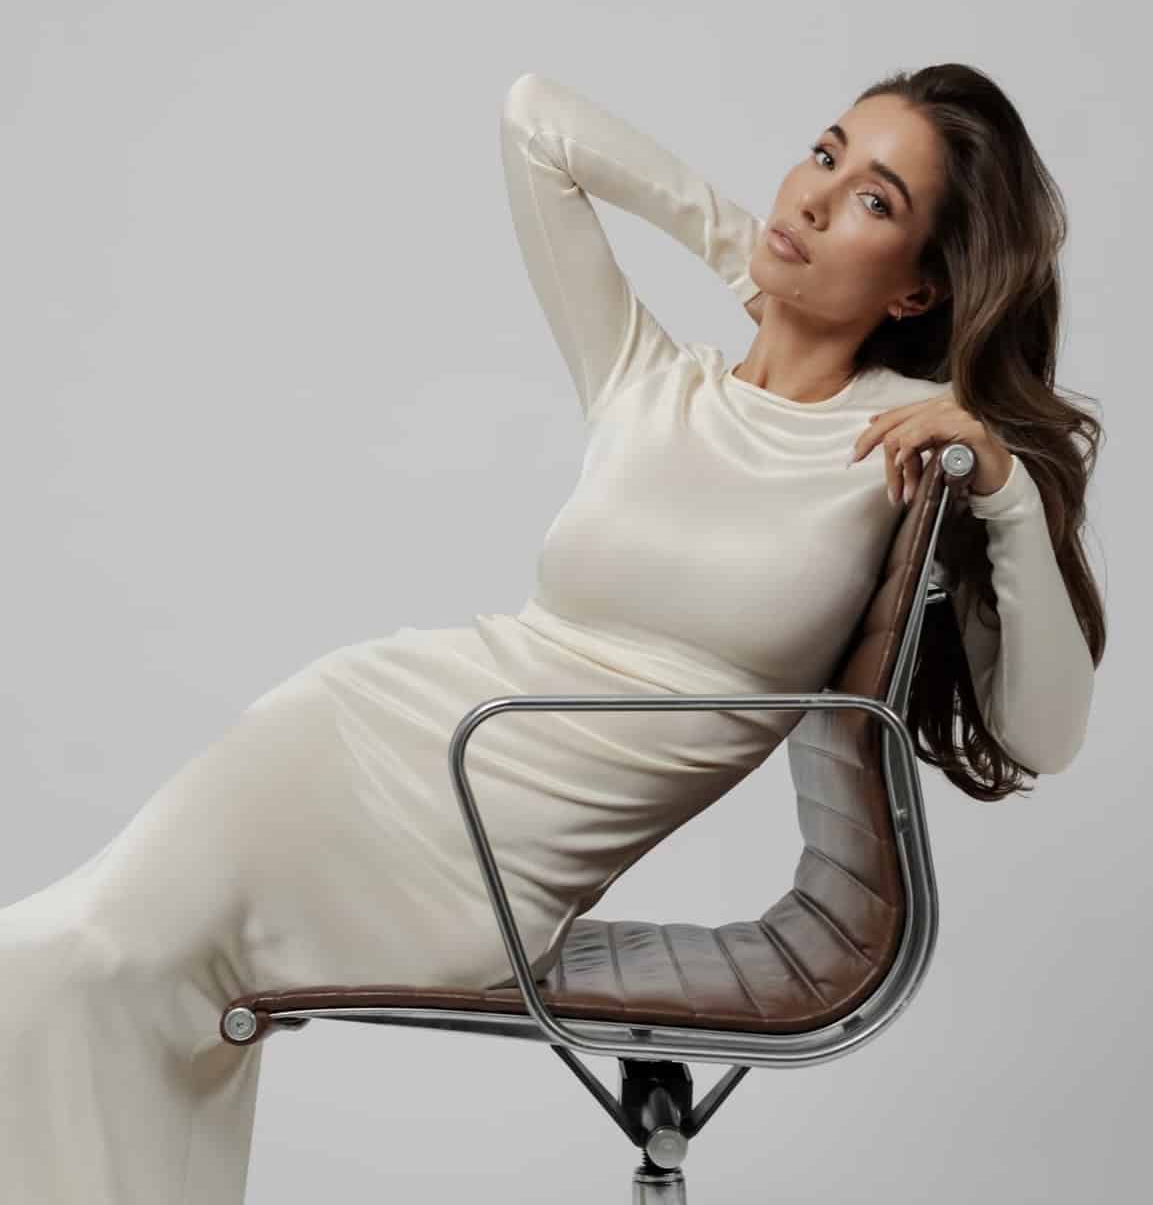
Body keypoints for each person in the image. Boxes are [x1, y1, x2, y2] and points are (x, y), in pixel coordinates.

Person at [0, 68, 1102, 1202]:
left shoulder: (899, 448)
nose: (815, 198)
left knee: (77, 968)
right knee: (85, 971)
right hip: (357, 734)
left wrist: (1009, 495)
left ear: (918, 287)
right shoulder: (647, 378)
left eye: (873, 200)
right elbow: (535, 120)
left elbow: (1043, 734)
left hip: (473, 862)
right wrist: (752, 256)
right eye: (821, 155)